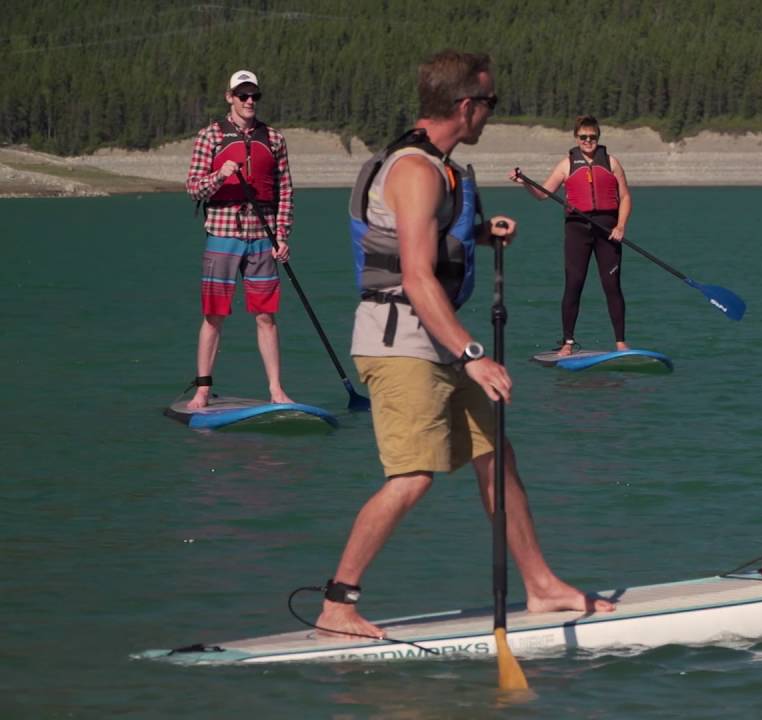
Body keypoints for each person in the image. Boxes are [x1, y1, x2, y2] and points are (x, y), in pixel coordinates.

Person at [320, 50, 615, 639]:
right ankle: (337, 604)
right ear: (464, 106)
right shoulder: (415, 169)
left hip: (436, 339)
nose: (491, 114)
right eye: (490, 103)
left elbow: (431, 239)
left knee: (495, 456)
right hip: (402, 340)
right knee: (412, 475)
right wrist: (473, 355)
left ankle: (541, 587)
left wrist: (479, 232)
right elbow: (417, 274)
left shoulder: (438, 166)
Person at [184, 69, 294, 409]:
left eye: (254, 96)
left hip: (262, 237)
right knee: (214, 314)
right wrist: (221, 174)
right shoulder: (210, 137)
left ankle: (276, 390)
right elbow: (193, 188)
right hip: (222, 234)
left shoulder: (274, 139)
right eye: (242, 95)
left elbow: (285, 192)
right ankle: (203, 388)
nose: (249, 101)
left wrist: (281, 236)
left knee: (265, 316)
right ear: (229, 97)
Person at [510, 116, 633, 356]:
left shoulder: (612, 163)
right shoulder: (566, 164)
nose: (588, 141)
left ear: (598, 138)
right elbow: (542, 194)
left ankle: (620, 343)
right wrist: (524, 181)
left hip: (607, 230)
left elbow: (626, 197)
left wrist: (620, 226)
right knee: (574, 285)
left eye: (593, 137)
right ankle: (567, 342)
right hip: (577, 229)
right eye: (583, 137)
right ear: (576, 138)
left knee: (612, 286)